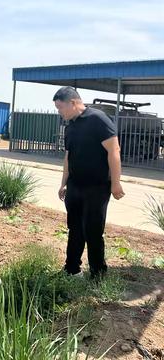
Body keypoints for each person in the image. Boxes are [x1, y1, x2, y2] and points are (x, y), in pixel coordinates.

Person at [54, 86, 125, 280]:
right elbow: (68, 157)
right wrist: (64, 183)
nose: (59, 112)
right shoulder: (70, 127)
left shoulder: (98, 119)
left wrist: (116, 183)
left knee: (93, 232)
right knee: (74, 229)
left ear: (74, 103)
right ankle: (71, 269)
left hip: (97, 187)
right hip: (75, 186)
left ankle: (97, 275)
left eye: (60, 107)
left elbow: (114, 150)